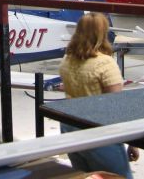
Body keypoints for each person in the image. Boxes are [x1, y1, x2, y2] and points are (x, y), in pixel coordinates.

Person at [59, 12, 139, 178]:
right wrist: (133, 141)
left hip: (70, 130)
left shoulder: (67, 60)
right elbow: (116, 107)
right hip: (98, 133)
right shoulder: (105, 63)